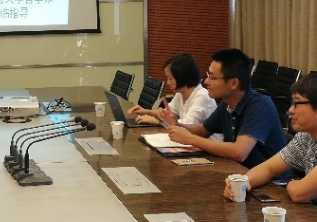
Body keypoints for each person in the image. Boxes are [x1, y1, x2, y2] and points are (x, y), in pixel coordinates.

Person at [159, 48, 290, 170]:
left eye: (213, 77)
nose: (206, 81)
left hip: (272, 182)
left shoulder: (260, 105)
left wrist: (190, 139)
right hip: (238, 173)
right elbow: (203, 130)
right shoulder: (227, 103)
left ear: (233, 83)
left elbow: (239, 152)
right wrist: (178, 125)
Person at [224, 73, 317, 203]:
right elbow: (268, 168)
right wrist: (244, 182)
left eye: (297, 103)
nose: (290, 110)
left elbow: (299, 193)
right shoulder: (306, 137)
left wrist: (291, 183)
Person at [127, 53, 217, 130]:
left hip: (208, 144)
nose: (168, 83)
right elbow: (167, 114)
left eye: (170, 78)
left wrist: (157, 121)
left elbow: (187, 124)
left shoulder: (202, 96)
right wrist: (145, 112)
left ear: (182, 77)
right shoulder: (180, 94)